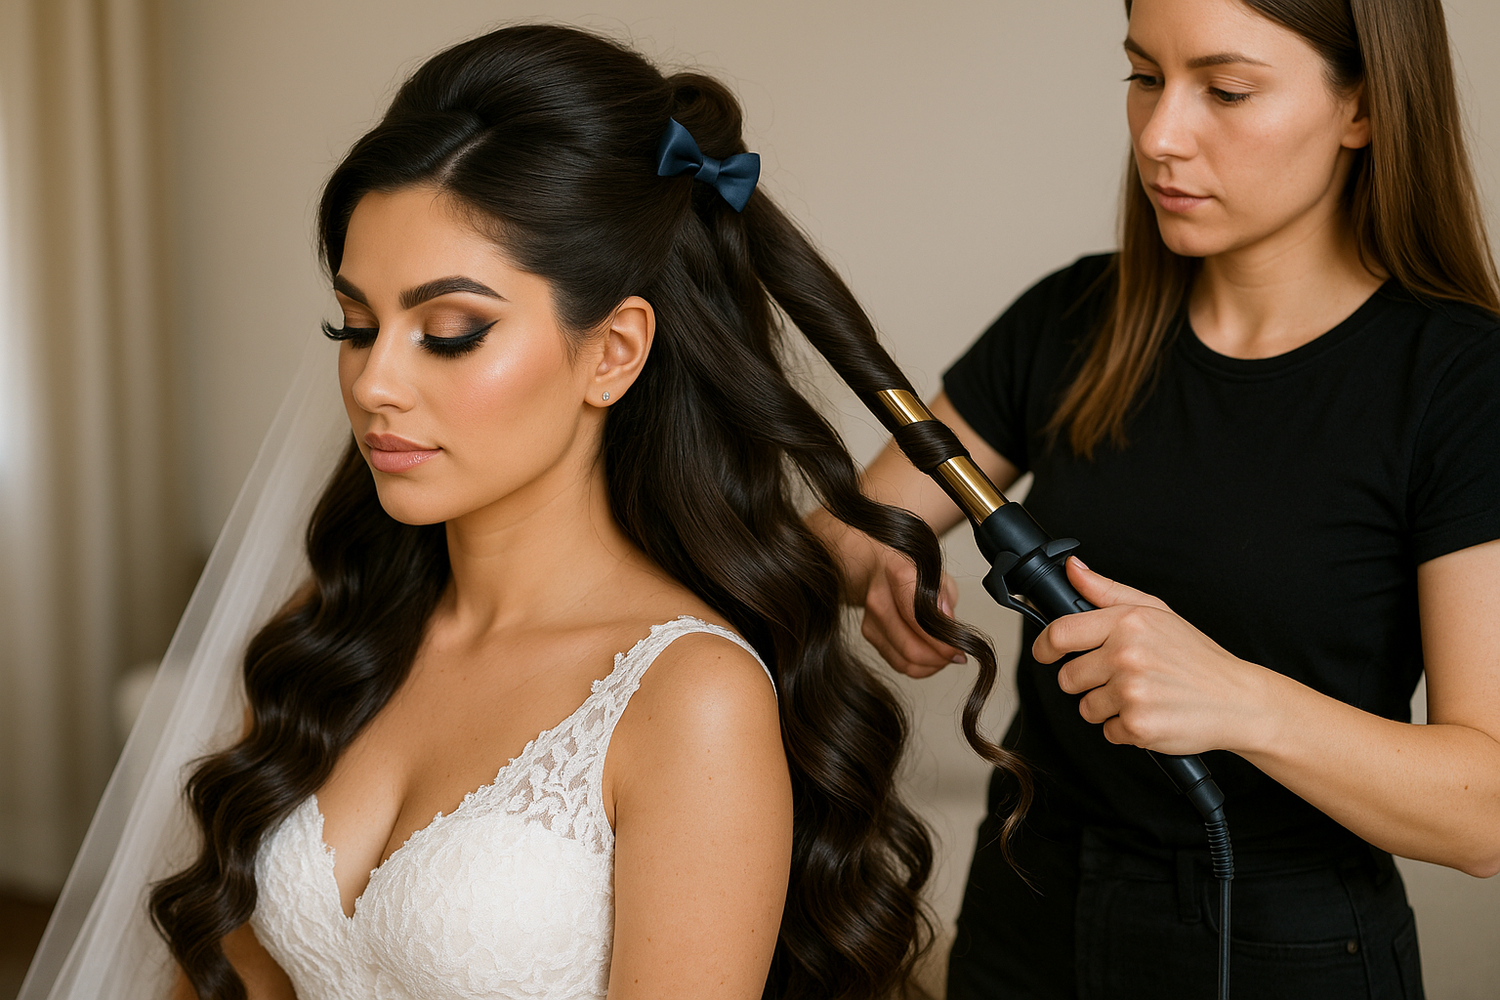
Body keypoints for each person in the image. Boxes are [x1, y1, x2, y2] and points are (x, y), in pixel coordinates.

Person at [134, 24, 1029, 1000]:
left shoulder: (689, 698)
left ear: (614, 352)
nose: (375, 382)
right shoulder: (334, 621)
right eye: (355, 324)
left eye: (450, 331)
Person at [811, 0, 1500, 996]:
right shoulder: (1074, 320)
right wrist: (872, 556)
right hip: (1024, 909)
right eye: (1144, 76)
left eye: (1226, 90)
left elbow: (1482, 812)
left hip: (1284, 948)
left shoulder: (1459, 383)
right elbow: (842, 534)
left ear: (1363, 107)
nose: (1161, 136)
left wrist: (1235, 696)